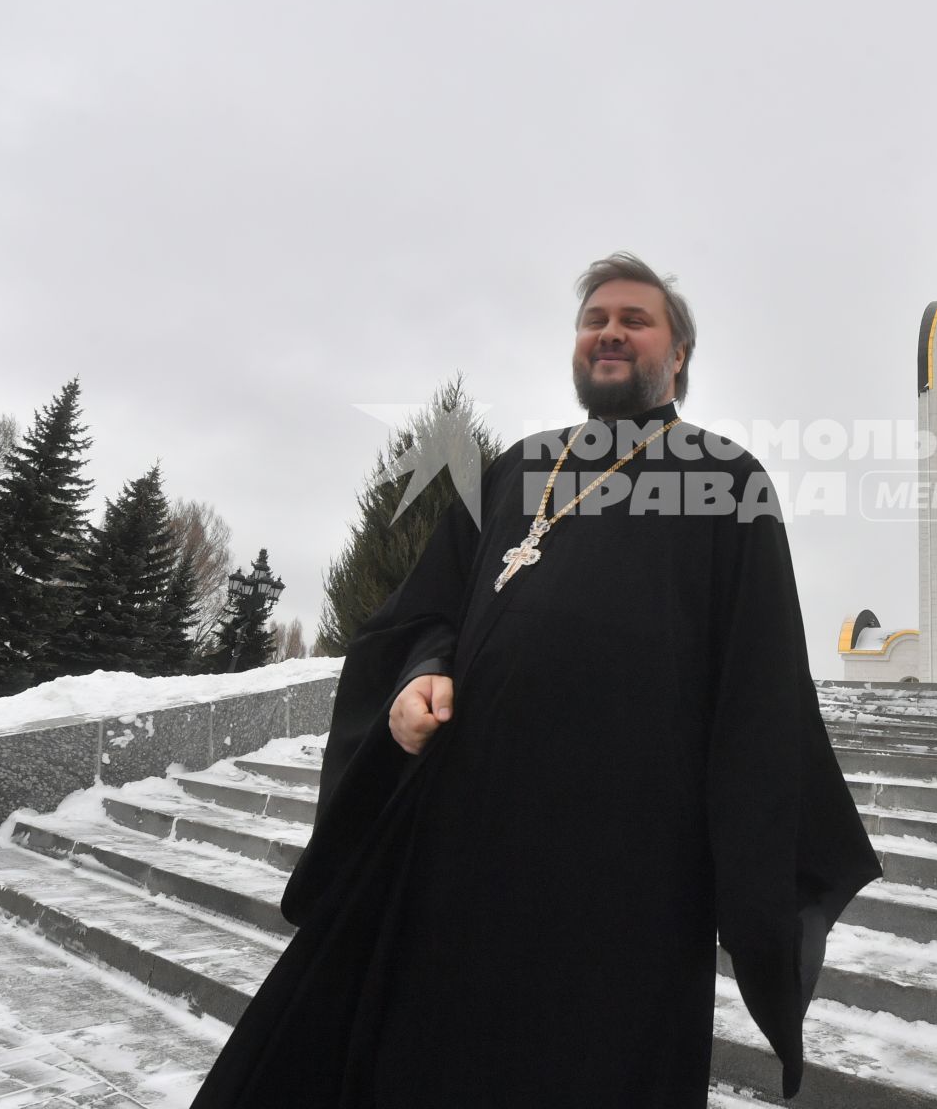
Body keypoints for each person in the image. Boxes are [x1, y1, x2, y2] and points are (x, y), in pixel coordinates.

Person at [190, 252, 881, 1107]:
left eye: (636, 318)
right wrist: (418, 675)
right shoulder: (517, 469)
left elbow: (760, 684)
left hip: (624, 870)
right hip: (455, 837)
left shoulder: (727, 481)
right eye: (595, 319)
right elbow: (421, 615)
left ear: (679, 354)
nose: (611, 331)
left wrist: (760, 872)